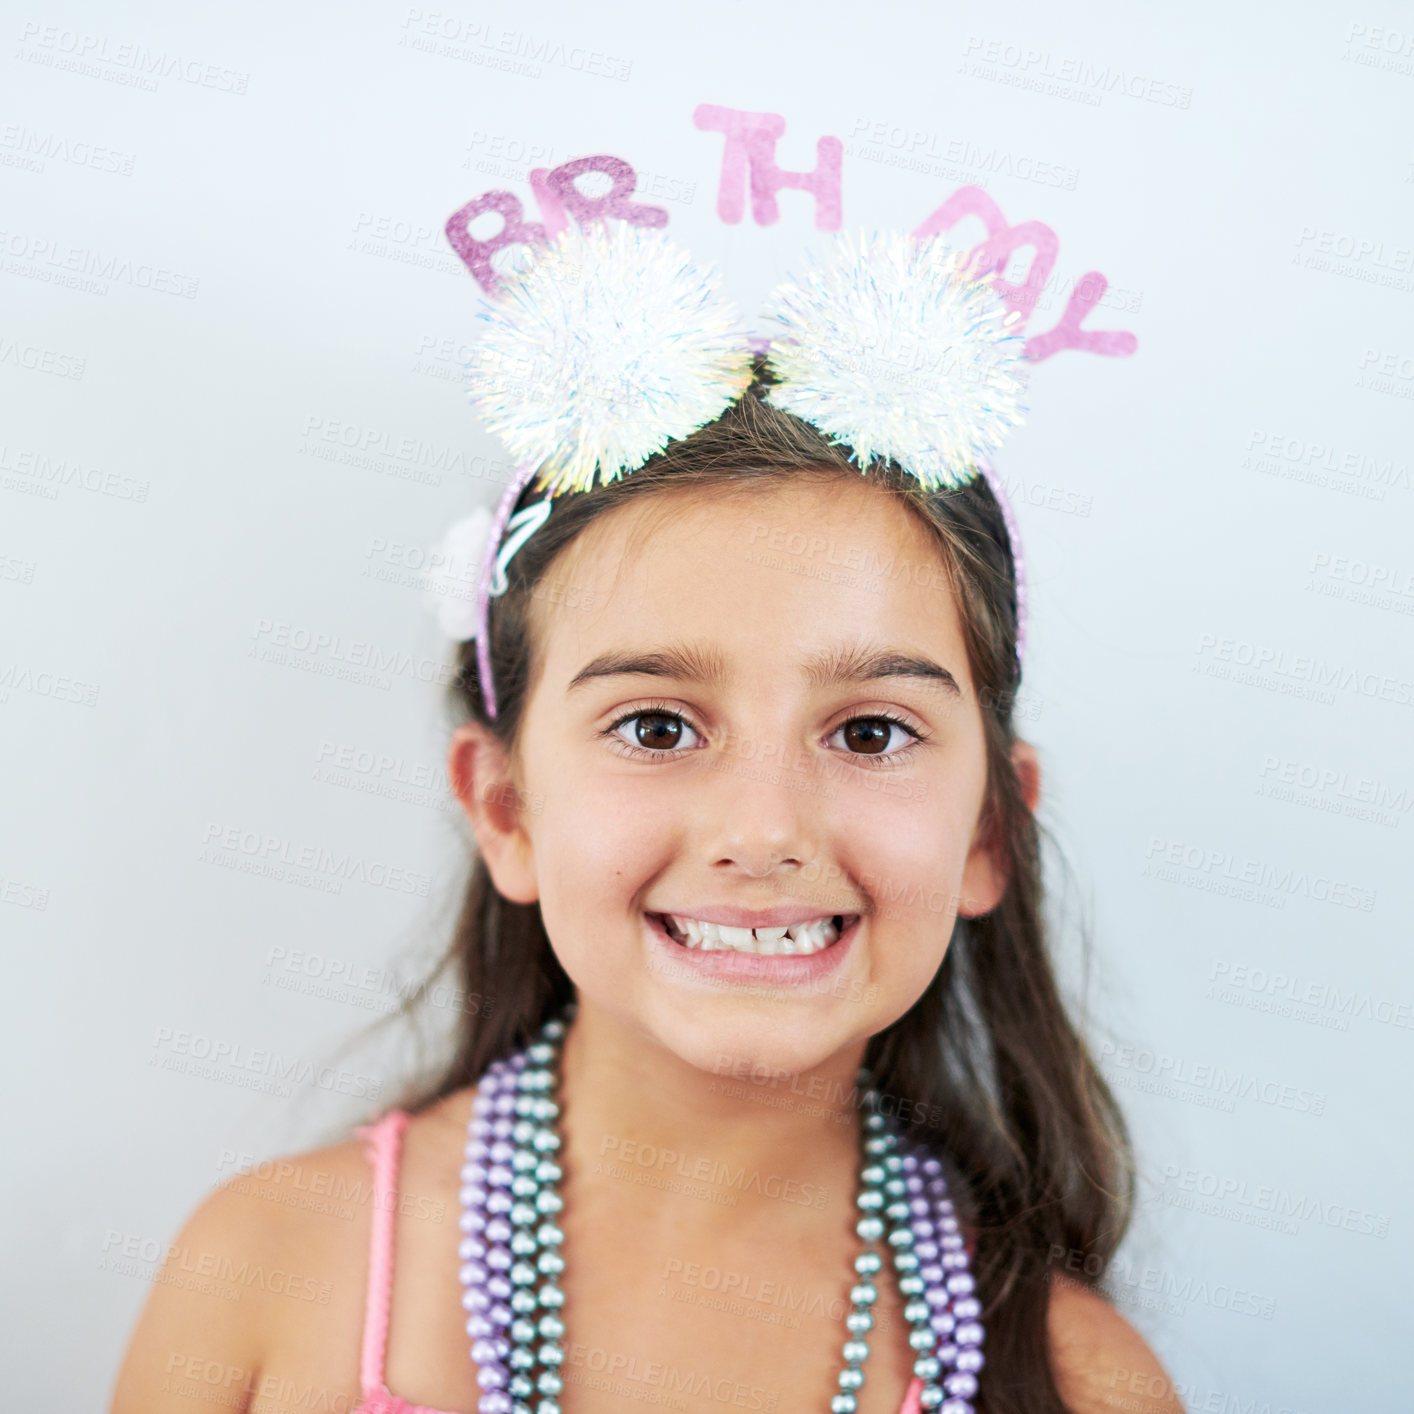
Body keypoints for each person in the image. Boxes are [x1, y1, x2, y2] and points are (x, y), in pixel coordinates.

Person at [110, 226, 1184, 1414]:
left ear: (989, 831)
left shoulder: (1085, 1384)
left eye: (870, 732)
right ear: (506, 809)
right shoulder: (269, 1272)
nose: (764, 827)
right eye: (658, 728)